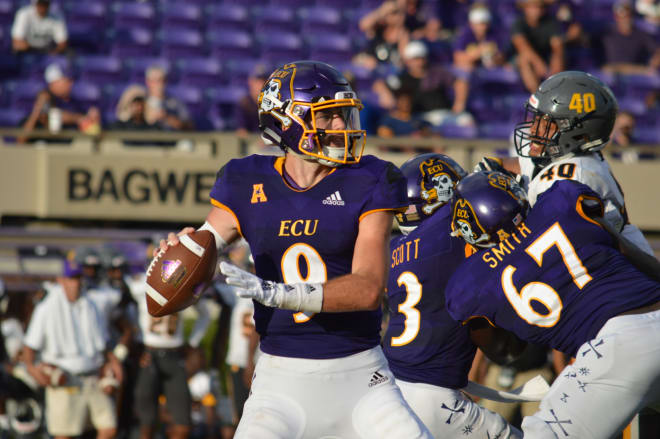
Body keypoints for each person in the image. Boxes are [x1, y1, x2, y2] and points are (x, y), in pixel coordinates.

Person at [158, 61, 432, 438]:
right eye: (329, 117)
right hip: (279, 381)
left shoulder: (370, 178)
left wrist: (278, 293)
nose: (342, 127)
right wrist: (179, 255)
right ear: (289, 121)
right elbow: (200, 251)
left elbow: (368, 288)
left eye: (343, 115)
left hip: (362, 378)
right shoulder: (244, 181)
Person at [446, 170, 660, 438]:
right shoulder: (561, 202)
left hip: (620, 346)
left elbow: (508, 351)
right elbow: (629, 252)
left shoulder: (474, 280)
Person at [383, 153, 522, 437]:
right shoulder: (449, 230)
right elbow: (503, 351)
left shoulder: (394, 249)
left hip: (388, 390)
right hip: (433, 395)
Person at [510, 70, 654, 255]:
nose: (533, 130)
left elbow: (538, 246)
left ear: (577, 131)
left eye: (545, 123)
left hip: (613, 274)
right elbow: (522, 164)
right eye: (536, 119)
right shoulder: (570, 156)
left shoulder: (572, 177)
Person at [21, 259, 122, 439]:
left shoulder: (91, 304)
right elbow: (30, 345)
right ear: (60, 280)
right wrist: (32, 368)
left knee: (109, 428)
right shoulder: (47, 307)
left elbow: (102, 342)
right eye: (70, 279)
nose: (75, 283)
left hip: (93, 376)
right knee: (64, 435)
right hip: (64, 378)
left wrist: (114, 362)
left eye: (77, 278)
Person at [124, 265, 211, 439]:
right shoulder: (141, 286)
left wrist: (192, 343)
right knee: (147, 422)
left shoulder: (184, 284)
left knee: (183, 423)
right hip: (149, 354)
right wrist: (135, 339)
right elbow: (123, 309)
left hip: (174, 354)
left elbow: (204, 314)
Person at [19, 63, 101, 144]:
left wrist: (91, 119)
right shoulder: (44, 105)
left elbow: (59, 116)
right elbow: (21, 141)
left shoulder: (74, 104)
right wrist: (37, 111)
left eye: (70, 80)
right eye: (66, 80)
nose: (70, 84)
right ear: (53, 84)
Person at [510, 0, 564, 93]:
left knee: (558, 58)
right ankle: (535, 94)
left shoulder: (550, 22)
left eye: (539, 7)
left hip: (544, 57)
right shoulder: (518, 23)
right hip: (518, 59)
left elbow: (557, 45)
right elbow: (522, 46)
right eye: (532, 7)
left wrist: (556, 61)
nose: (536, 10)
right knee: (524, 59)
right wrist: (538, 64)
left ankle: (555, 90)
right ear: (525, 8)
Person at [600, 0, 660, 75]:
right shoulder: (606, 34)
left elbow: (657, 51)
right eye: (621, 16)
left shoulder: (641, 35)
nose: (625, 19)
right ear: (616, 17)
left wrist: (653, 64)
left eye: (628, 15)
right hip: (611, 74)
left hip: (635, 75)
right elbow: (588, 42)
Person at [144, 65, 193, 131]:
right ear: (148, 82)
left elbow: (188, 126)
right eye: (154, 80)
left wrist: (166, 117)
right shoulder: (141, 101)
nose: (159, 84)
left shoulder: (175, 102)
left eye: (162, 80)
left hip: (171, 139)